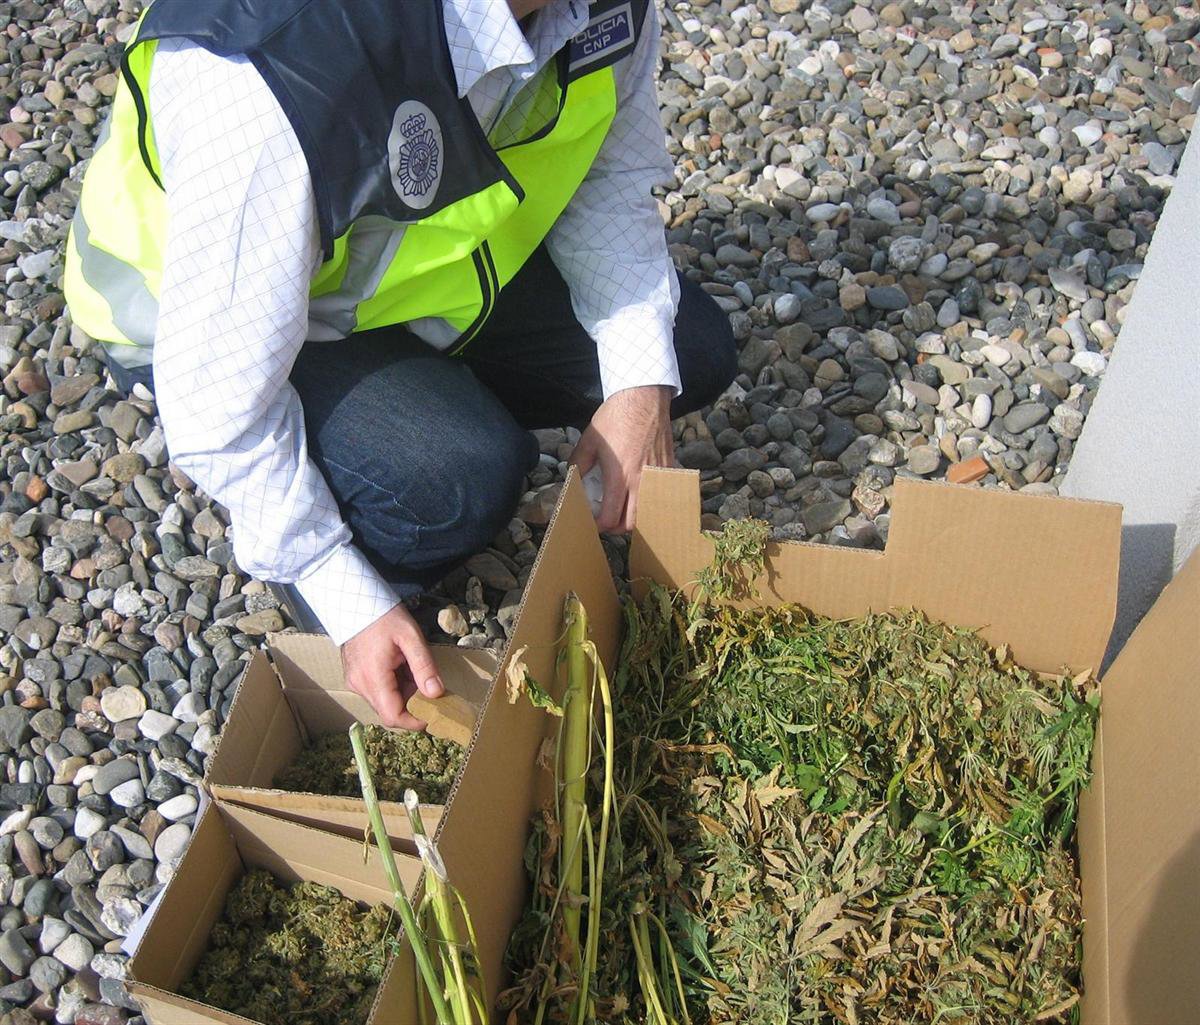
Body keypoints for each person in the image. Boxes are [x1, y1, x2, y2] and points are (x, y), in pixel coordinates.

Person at [64, 0, 737, 730]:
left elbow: (606, 176)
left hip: (400, 281)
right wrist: (339, 589)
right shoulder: (275, 70)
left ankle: (424, 406)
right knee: (455, 483)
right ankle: (364, 513)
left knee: (681, 350)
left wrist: (637, 385)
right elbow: (217, 406)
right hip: (209, 322)